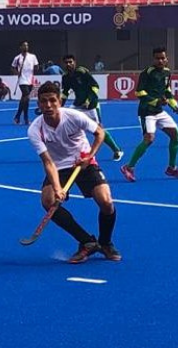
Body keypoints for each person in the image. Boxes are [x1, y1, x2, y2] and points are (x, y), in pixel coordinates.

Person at [28, 81, 121, 263]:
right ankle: (87, 242)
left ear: (59, 102)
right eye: (44, 101)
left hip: (84, 162)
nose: (48, 105)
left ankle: (105, 243)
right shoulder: (35, 129)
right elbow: (48, 162)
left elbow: (100, 133)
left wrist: (90, 156)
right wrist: (57, 188)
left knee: (107, 202)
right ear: (38, 103)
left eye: (53, 101)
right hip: (59, 166)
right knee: (48, 201)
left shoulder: (73, 116)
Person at [119, 47, 178, 183]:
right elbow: (139, 92)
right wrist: (156, 101)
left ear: (166, 59)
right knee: (149, 139)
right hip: (146, 112)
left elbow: (167, 90)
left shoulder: (167, 72)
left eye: (162, 58)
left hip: (159, 111)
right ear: (153, 59)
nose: (160, 60)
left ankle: (172, 168)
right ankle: (128, 167)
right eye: (157, 58)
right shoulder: (147, 73)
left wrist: (173, 104)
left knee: (176, 136)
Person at [60, 54, 123, 161]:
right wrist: (59, 106)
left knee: (98, 130)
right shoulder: (65, 77)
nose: (68, 64)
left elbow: (95, 86)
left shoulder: (82, 72)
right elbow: (65, 93)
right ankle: (70, 152)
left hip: (91, 105)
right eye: (66, 62)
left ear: (74, 62)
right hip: (77, 105)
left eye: (70, 62)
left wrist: (88, 100)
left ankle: (117, 150)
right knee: (65, 124)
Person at [11, 41, 39, 125]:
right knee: (26, 96)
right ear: (20, 47)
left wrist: (35, 69)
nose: (26, 47)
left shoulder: (32, 56)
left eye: (27, 45)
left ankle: (17, 116)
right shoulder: (17, 58)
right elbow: (12, 67)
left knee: (24, 99)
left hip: (30, 80)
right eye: (24, 45)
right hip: (22, 80)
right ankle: (26, 118)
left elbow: (36, 66)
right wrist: (17, 73)